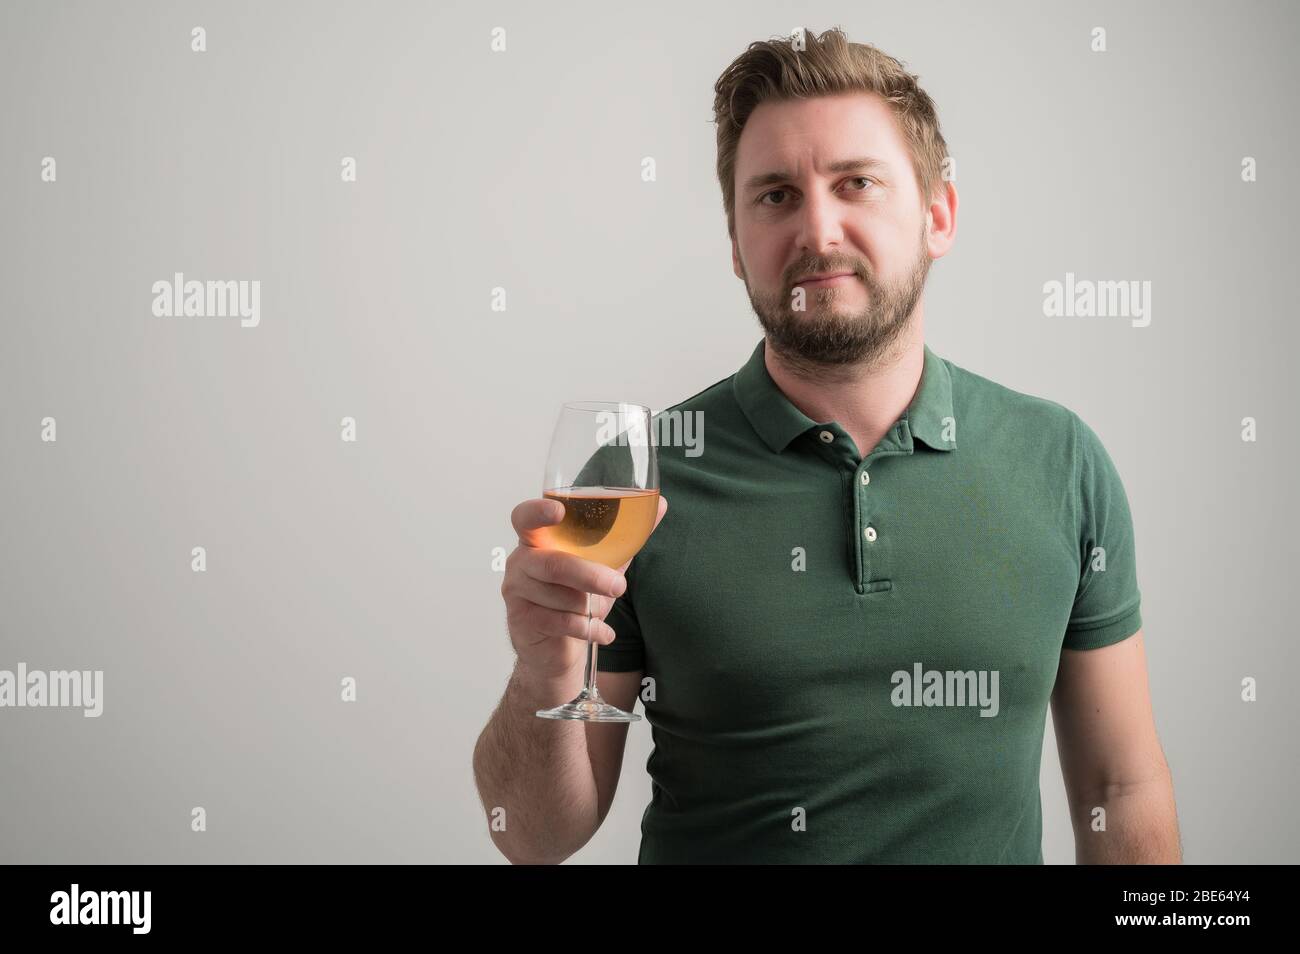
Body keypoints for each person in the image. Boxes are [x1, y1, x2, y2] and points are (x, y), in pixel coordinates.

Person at [474, 26, 1181, 864]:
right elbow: (531, 839)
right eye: (774, 195)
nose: (818, 229)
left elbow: (1120, 792)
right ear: (736, 246)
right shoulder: (638, 478)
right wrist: (542, 673)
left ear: (938, 216)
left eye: (857, 184)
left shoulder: (1061, 461)